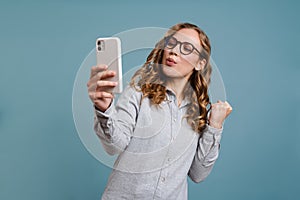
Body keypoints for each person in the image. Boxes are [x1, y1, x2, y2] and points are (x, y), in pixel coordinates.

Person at [87, 22, 232, 200]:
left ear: (200, 64)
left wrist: (214, 126)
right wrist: (103, 109)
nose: (174, 51)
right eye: (171, 44)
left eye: (186, 48)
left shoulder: (199, 111)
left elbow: (198, 174)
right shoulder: (138, 92)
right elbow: (115, 145)